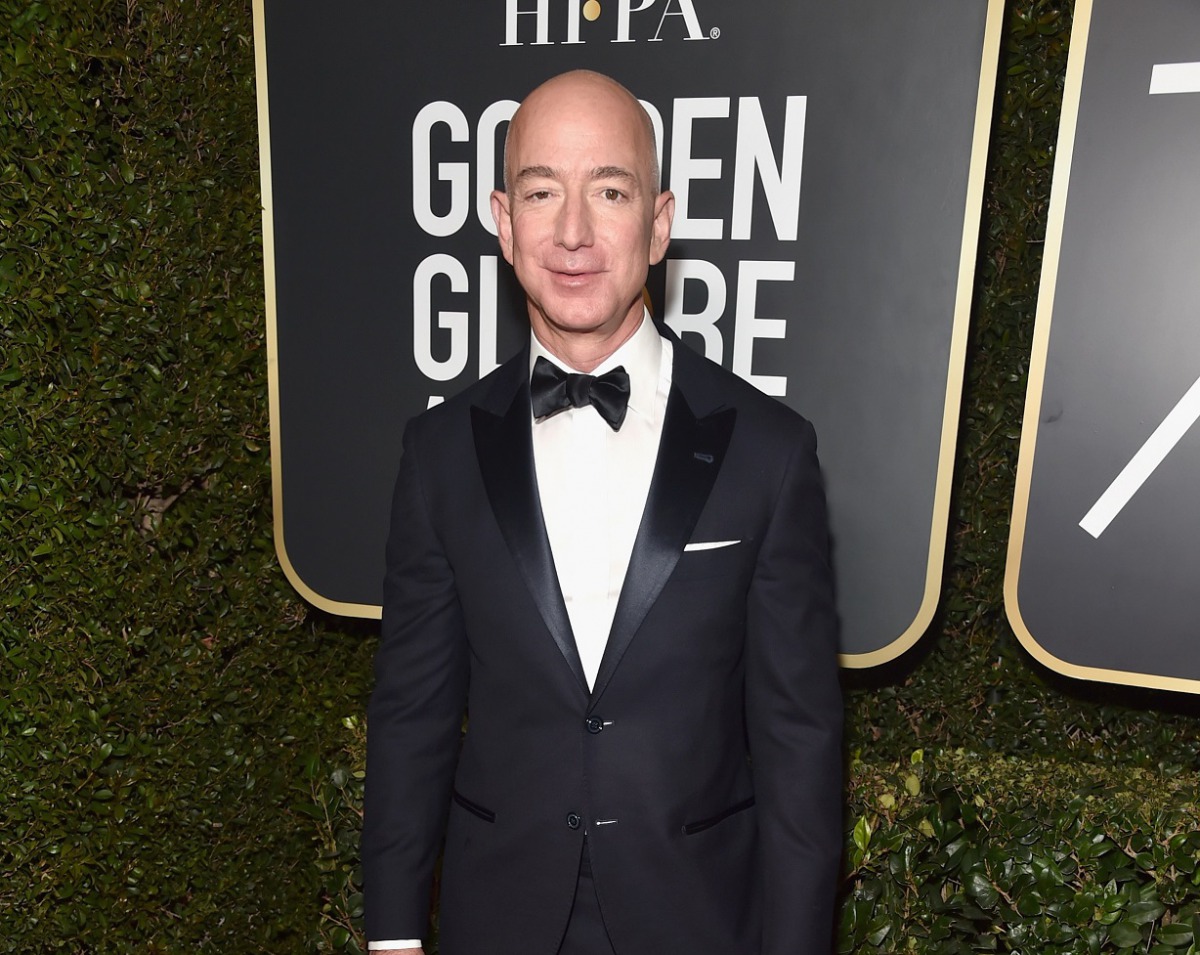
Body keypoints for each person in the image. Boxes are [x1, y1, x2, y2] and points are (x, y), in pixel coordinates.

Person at [363, 69, 843, 955]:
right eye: (543, 191)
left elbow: (798, 743)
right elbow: (412, 715)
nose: (574, 232)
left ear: (658, 224)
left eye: (609, 191)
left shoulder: (770, 454)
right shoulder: (438, 456)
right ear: (504, 223)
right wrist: (393, 937)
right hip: (494, 919)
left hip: (698, 920)